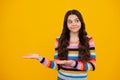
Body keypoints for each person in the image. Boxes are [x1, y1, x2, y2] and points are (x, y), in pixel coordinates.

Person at [22, 9, 96, 80]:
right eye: (70, 22)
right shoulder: (59, 40)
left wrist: (73, 63)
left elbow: (92, 66)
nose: (74, 24)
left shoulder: (88, 40)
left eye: (76, 20)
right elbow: (57, 66)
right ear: (66, 24)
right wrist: (39, 58)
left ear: (81, 22)